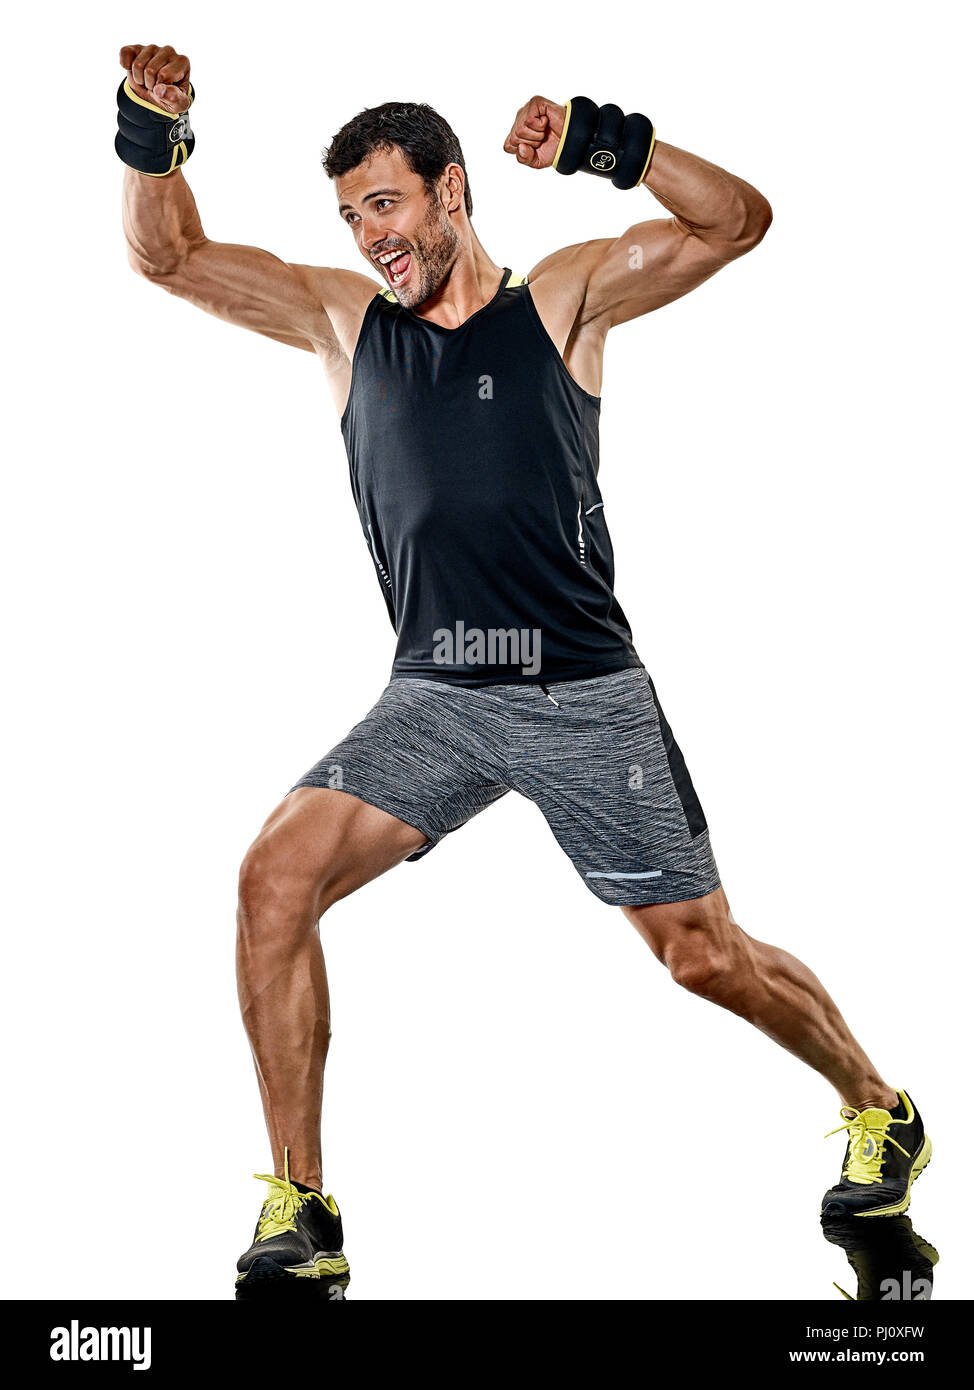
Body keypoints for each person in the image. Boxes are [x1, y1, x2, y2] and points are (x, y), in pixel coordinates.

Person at [116, 43, 932, 1297]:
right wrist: (150, 129)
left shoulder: (559, 300)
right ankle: (303, 1212)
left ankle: (877, 1103)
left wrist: (610, 145)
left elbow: (738, 223)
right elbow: (166, 257)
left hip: (581, 693)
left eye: (385, 205)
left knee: (701, 956)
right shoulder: (345, 320)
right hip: (435, 694)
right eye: (349, 216)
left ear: (452, 191)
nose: (371, 237)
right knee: (273, 878)